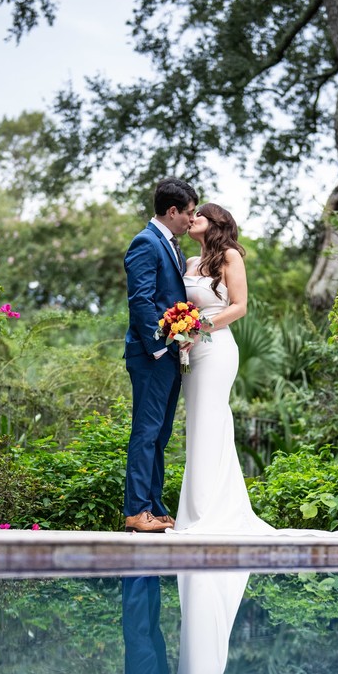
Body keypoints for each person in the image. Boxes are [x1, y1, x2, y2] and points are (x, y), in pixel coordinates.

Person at [172, 202, 274, 535]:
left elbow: (240, 307)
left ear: (215, 221)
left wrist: (199, 327)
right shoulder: (188, 262)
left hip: (217, 351)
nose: (191, 219)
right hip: (190, 352)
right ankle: (196, 511)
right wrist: (180, 328)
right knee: (197, 425)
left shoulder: (230, 256)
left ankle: (211, 513)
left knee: (211, 420)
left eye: (197, 215)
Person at [123, 176, 198, 533]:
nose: (190, 219)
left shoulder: (170, 245)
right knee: (146, 431)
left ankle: (153, 507)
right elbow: (140, 301)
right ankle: (137, 511)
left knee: (161, 434)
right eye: (189, 213)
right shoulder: (146, 242)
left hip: (169, 354)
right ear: (172, 211)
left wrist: (180, 338)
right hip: (151, 354)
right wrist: (158, 347)